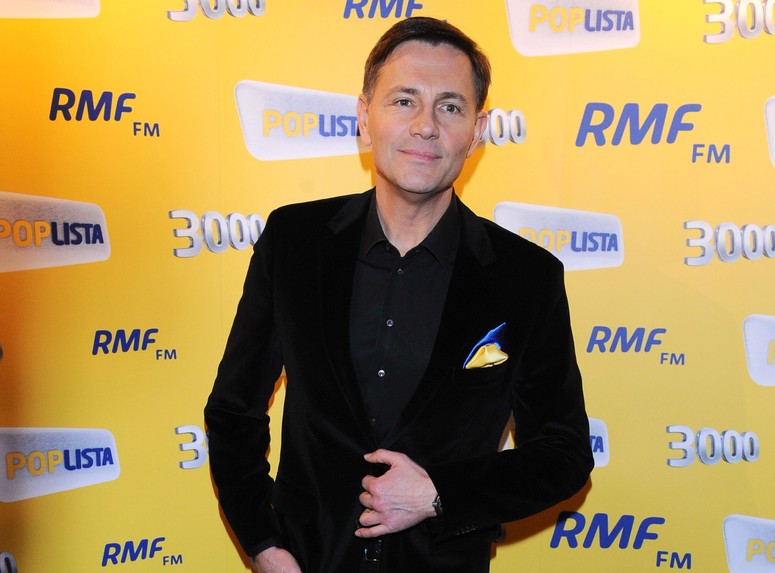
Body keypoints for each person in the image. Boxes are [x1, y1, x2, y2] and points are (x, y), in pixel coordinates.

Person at [204, 16, 593, 573]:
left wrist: (439, 494)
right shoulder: (294, 242)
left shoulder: (526, 277)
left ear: (477, 131)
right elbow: (233, 411)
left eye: (450, 107)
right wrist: (263, 545)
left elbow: (563, 455)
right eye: (404, 100)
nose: (425, 126)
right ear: (365, 118)